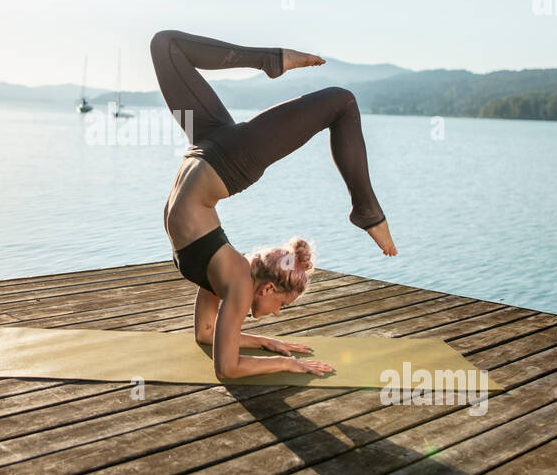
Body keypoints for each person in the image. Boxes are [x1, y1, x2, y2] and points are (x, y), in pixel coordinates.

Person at [151, 28, 396, 379]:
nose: (278, 313)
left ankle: (271, 60)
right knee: (342, 102)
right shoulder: (235, 280)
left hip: (206, 146)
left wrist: (265, 343)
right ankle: (367, 211)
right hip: (230, 159)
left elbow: (206, 334)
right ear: (267, 288)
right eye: (282, 304)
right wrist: (286, 362)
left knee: (164, 45)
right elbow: (228, 368)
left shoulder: (222, 277)